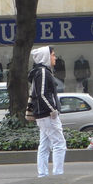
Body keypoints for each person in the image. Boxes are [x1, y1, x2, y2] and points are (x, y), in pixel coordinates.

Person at [28, 46, 67, 177]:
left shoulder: (39, 72)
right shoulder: (44, 72)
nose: (55, 57)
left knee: (44, 145)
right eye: (53, 55)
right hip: (47, 114)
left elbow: (39, 94)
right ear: (46, 56)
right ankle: (57, 174)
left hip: (42, 114)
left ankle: (43, 175)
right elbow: (42, 94)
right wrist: (53, 110)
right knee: (59, 144)